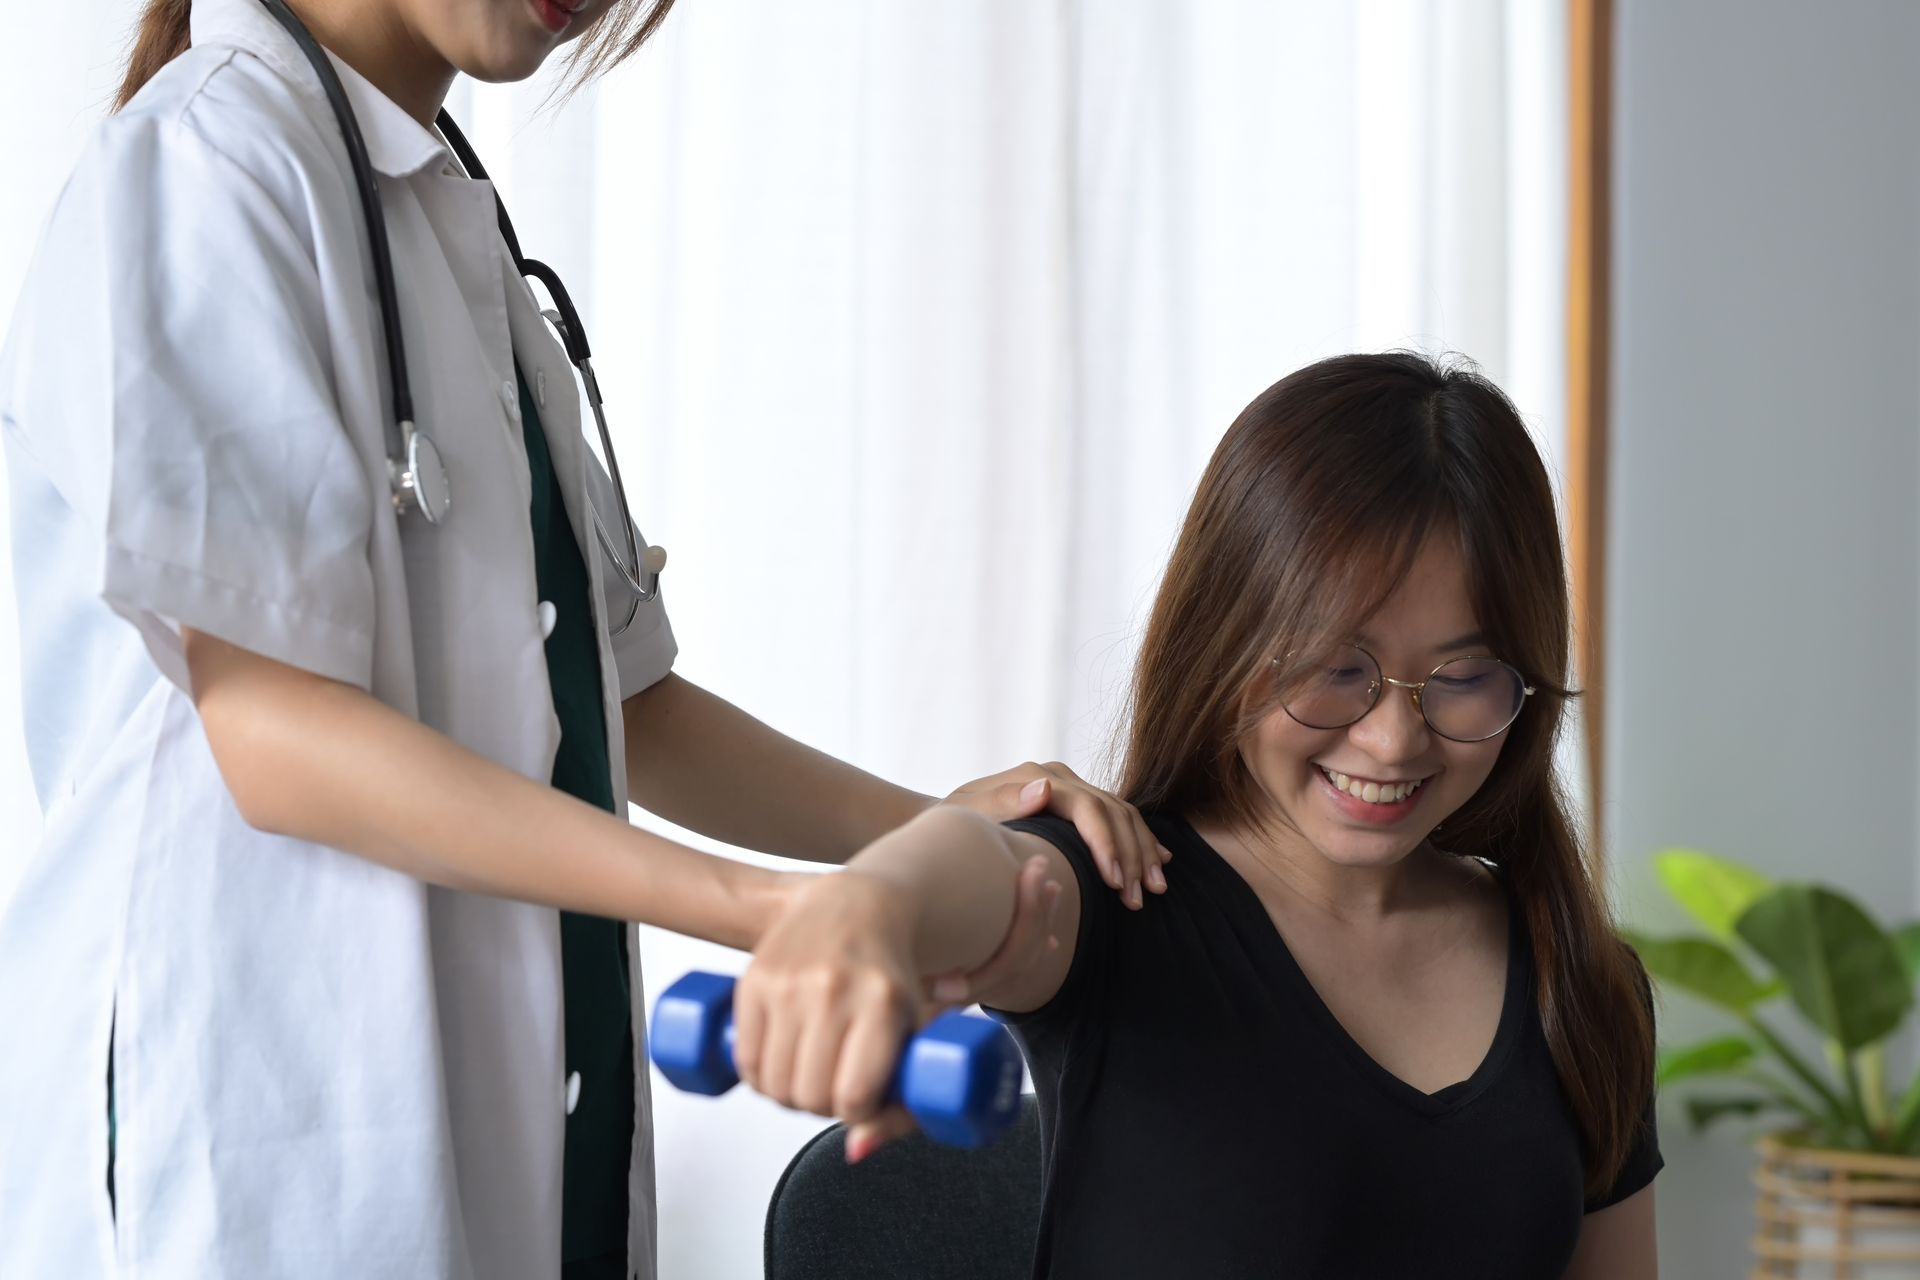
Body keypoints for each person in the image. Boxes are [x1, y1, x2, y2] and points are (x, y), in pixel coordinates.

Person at [0, 1, 1171, 1276]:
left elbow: (622, 698)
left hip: (507, 1126)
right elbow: (280, 734)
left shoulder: (444, 215)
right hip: (266, 1140)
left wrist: (929, 833)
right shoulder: (210, 161)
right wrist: (787, 913)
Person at [740, 352, 1663, 1278]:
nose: (1391, 740)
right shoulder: (1118, 890)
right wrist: (873, 903)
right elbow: (984, 866)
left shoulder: (1579, 978)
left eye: (1463, 678)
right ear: (1228, 639)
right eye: (1335, 668)